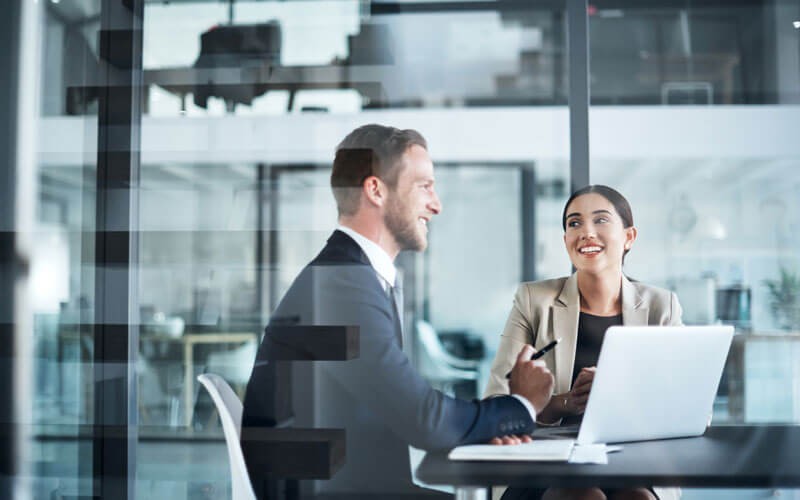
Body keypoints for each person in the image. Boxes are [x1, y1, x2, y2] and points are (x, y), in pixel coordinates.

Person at [242, 124, 555, 498]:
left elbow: (408, 407)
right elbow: (423, 419)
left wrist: (485, 424)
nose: (436, 205)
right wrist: (519, 405)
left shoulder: (351, 276)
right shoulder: (342, 284)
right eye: (424, 186)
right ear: (376, 190)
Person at [484, 185, 683, 500]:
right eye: (574, 223)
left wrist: (618, 396)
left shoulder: (662, 306)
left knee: (639, 498)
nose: (586, 232)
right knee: (583, 495)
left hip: (631, 461)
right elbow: (497, 401)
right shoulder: (534, 300)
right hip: (546, 463)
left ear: (629, 237)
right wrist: (566, 402)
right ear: (566, 240)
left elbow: (687, 408)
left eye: (600, 220)